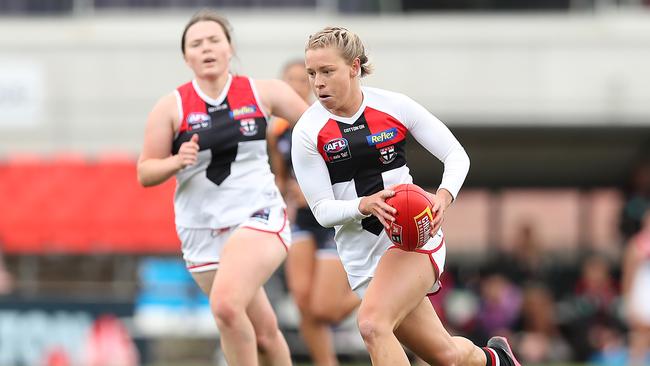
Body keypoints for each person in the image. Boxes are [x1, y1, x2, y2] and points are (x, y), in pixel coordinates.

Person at [291, 26, 521, 366]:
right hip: (361, 260)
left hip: (411, 239)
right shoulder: (308, 131)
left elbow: (456, 156)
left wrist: (443, 197)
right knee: (444, 355)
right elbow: (322, 210)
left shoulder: (393, 105)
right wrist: (363, 205)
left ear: (354, 68)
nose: (318, 82)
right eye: (312, 73)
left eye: (327, 71)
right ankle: (496, 359)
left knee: (372, 325)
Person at [137, 10, 307, 366]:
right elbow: (145, 171)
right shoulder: (171, 107)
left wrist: (307, 183)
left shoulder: (264, 92)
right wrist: (175, 161)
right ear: (187, 57)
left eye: (214, 40)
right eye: (196, 44)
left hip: (257, 214)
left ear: (230, 48)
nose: (207, 48)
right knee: (262, 332)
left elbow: (319, 132)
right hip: (201, 230)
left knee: (226, 307)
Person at [267, 60, 360, 366]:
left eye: (300, 79)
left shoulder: (327, 124)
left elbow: (349, 174)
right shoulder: (277, 133)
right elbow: (281, 179)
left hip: (333, 220)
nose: (295, 86)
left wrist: (315, 197)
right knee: (303, 302)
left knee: (325, 308)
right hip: (302, 222)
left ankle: (374, 289)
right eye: (288, 80)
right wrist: (283, 199)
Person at [622, 207, 650, 365]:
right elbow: (628, 274)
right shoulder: (636, 245)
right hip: (643, 294)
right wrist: (628, 300)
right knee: (640, 336)